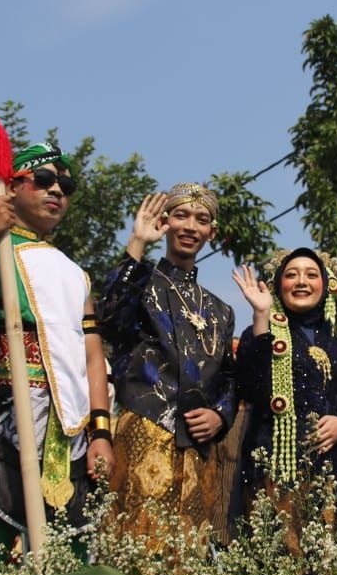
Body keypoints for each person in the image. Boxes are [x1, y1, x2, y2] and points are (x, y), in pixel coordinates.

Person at [0, 142, 113, 552]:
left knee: (67, 552)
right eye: (43, 180)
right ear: (11, 187)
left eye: (66, 186)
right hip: (3, 413)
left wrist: (101, 433)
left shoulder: (76, 275)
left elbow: (92, 357)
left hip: (68, 429)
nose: (57, 190)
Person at [97, 184, 237, 547]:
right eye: (181, 216)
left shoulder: (220, 310)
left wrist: (220, 416)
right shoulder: (142, 283)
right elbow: (108, 319)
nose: (190, 226)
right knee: (135, 548)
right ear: (165, 222)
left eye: (201, 219)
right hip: (145, 430)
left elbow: (228, 379)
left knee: (189, 557)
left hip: (198, 448)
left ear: (211, 232)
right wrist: (137, 244)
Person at [232, 248, 337, 535]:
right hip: (273, 474)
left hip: (332, 478)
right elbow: (249, 387)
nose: (301, 282)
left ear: (325, 285)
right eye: (291, 275)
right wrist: (261, 315)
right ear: (278, 285)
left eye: (311, 275)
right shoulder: (259, 333)